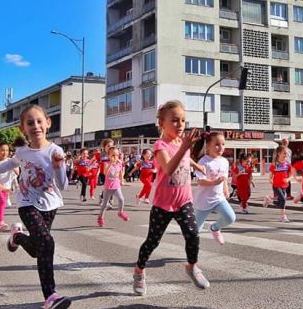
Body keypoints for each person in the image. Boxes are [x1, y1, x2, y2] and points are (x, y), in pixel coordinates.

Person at [0, 105, 70, 309]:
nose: (35, 126)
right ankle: (50, 298)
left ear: (48, 122)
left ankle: (17, 237)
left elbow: (63, 185)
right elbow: (7, 164)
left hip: (50, 204)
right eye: (30, 123)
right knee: (47, 243)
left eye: (39, 121)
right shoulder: (22, 152)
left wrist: (58, 167)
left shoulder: (56, 151)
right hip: (27, 204)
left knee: (39, 249)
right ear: (23, 128)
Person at [132, 100, 208, 296]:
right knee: (152, 242)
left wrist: (197, 166)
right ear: (162, 124)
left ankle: (192, 266)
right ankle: (139, 270)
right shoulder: (160, 145)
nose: (180, 124)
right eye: (174, 120)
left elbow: (185, 158)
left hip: (184, 200)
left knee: (192, 234)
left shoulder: (182, 144)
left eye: (183, 120)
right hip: (163, 204)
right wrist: (184, 147)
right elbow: (169, 168)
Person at [192, 132, 235, 244]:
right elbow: (201, 181)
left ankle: (215, 228)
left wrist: (226, 189)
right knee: (195, 231)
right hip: (203, 201)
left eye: (223, 144)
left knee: (230, 217)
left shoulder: (224, 161)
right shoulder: (203, 161)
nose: (221, 147)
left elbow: (224, 178)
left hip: (218, 199)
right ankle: (192, 253)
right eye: (217, 144)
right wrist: (214, 182)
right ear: (208, 146)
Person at [98, 146, 129, 226]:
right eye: (113, 155)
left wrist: (122, 180)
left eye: (117, 155)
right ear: (108, 156)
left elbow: (121, 173)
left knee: (121, 199)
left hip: (116, 186)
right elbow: (105, 172)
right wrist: (111, 164)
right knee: (104, 204)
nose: (115, 157)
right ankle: (101, 217)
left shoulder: (119, 164)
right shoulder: (107, 164)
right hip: (108, 187)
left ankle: (120, 212)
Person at [264, 145, 293, 223]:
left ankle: (269, 199)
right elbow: (271, 174)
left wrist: (288, 179)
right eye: (284, 153)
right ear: (279, 153)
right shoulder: (274, 164)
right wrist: (270, 179)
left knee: (280, 202)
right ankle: (283, 216)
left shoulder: (287, 164)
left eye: (286, 154)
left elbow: (291, 175)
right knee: (283, 200)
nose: (285, 155)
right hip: (276, 185)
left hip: (284, 186)